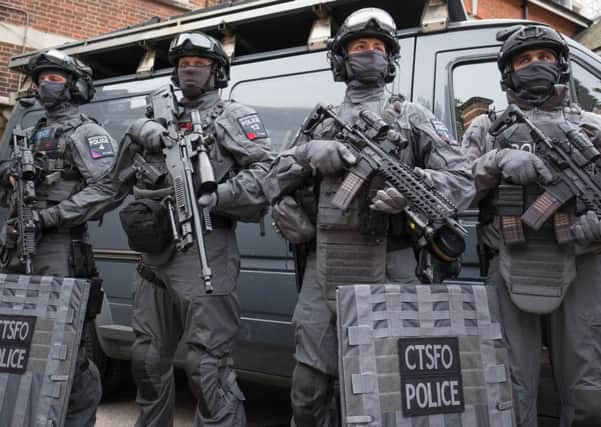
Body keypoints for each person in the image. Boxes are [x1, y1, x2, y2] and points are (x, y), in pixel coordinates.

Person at [263, 8, 474, 426]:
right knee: (307, 392)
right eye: (360, 47)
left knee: (385, 391)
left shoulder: (412, 116)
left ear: (391, 60)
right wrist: (307, 155)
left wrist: (413, 190)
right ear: (342, 58)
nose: (370, 55)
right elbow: (269, 182)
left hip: (391, 265)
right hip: (324, 267)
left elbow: (462, 179)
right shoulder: (320, 120)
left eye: (379, 48)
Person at [112, 32, 274, 427]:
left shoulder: (233, 116)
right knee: (147, 359)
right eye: (183, 63)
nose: (189, 69)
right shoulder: (157, 117)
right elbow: (113, 181)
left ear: (217, 71)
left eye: (199, 63)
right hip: (154, 259)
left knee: (207, 367)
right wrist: (135, 134)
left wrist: (221, 194)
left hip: (206, 252)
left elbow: (269, 171)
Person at [462, 24, 601, 426]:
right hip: (509, 262)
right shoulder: (486, 128)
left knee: (589, 393)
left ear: (561, 66)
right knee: (508, 386)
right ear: (508, 72)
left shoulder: (591, 127)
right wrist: (492, 163)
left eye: (545, 57)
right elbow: (451, 191)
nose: (535, 65)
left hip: (583, 266)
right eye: (524, 60)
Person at [0, 49, 117, 426]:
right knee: (19, 346)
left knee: (67, 350)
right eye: (41, 79)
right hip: (19, 246)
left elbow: (107, 188)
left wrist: (51, 216)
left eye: (54, 78)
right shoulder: (31, 133)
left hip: (61, 251)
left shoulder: (87, 132)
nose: (45, 86)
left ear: (75, 85)